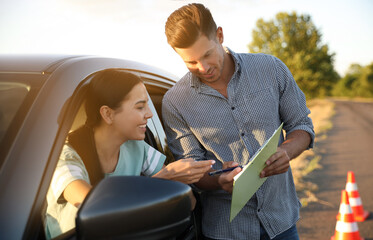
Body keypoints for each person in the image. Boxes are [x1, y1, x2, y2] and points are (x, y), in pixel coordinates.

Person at [162, 3, 315, 240]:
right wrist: (219, 180)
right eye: (191, 62)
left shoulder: (270, 68)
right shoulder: (175, 102)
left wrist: (286, 152)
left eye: (207, 55)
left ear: (220, 35)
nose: (203, 68)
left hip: (281, 223)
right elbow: (191, 170)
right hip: (226, 231)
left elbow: (301, 126)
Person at [45, 69, 215, 239]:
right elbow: (95, 209)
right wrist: (164, 180)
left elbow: (187, 200)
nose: (149, 114)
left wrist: (183, 180)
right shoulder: (65, 157)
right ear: (108, 114)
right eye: (140, 107)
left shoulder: (137, 147)